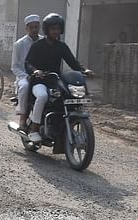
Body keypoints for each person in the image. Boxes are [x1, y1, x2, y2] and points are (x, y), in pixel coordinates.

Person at [24, 13, 94, 142]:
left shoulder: (61, 46)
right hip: (39, 81)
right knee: (43, 96)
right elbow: (27, 63)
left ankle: (61, 126)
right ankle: (34, 129)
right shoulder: (38, 45)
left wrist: (84, 70)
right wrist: (36, 71)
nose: (56, 31)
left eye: (58, 29)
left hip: (55, 81)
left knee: (66, 97)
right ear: (46, 29)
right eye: (53, 29)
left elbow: (73, 62)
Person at [12, 15, 42, 129]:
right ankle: (23, 116)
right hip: (24, 75)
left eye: (36, 27)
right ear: (27, 28)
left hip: (41, 75)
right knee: (25, 86)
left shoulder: (44, 41)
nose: (34, 29)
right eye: (31, 27)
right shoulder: (19, 44)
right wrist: (26, 76)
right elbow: (14, 67)